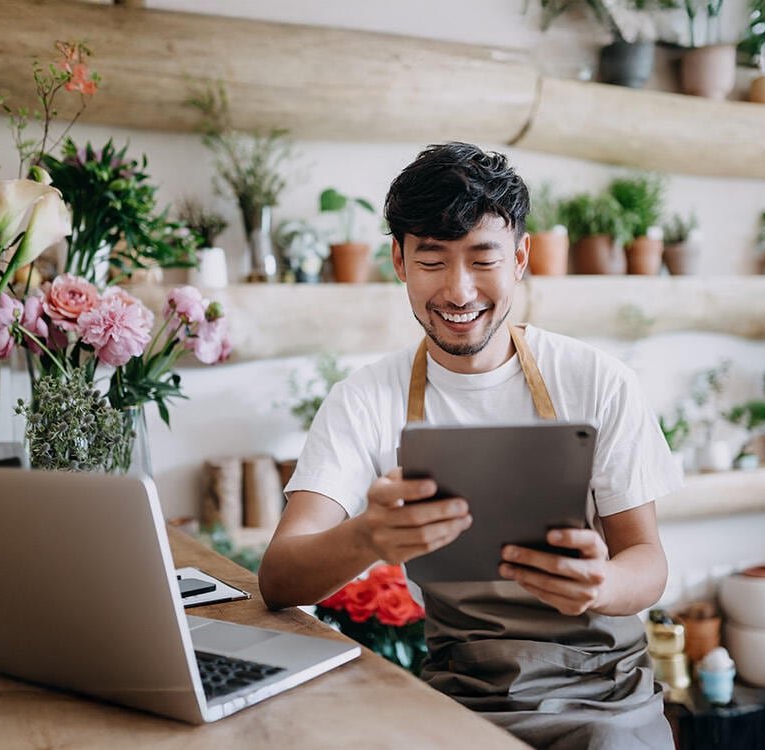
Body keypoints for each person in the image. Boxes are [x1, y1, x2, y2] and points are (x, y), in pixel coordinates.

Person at [258, 142, 680, 749]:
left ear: (521, 258)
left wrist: (603, 585)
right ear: (399, 261)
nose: (458, 291)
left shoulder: (597, 381)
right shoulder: (362, 400)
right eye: (432, 261)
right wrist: (368, 537)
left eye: (483, 260)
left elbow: (647, 559)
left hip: (605, 695)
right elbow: (278, 577)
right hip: (462, 695)